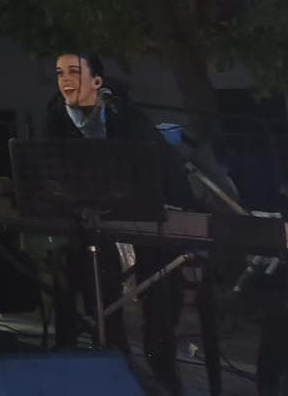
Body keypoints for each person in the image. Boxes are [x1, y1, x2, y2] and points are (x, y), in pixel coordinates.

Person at [45, 51, 191, 393]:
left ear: (97, 82)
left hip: (147, 211)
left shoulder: (125, 116)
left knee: (158, 278)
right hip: (91, 217)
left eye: (73, 72)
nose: (65, 79)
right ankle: (112, 355)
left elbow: (153, 168)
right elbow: (51, 165)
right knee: (89, 270)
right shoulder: (56, 116)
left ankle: (162, 366)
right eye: (59, 72)